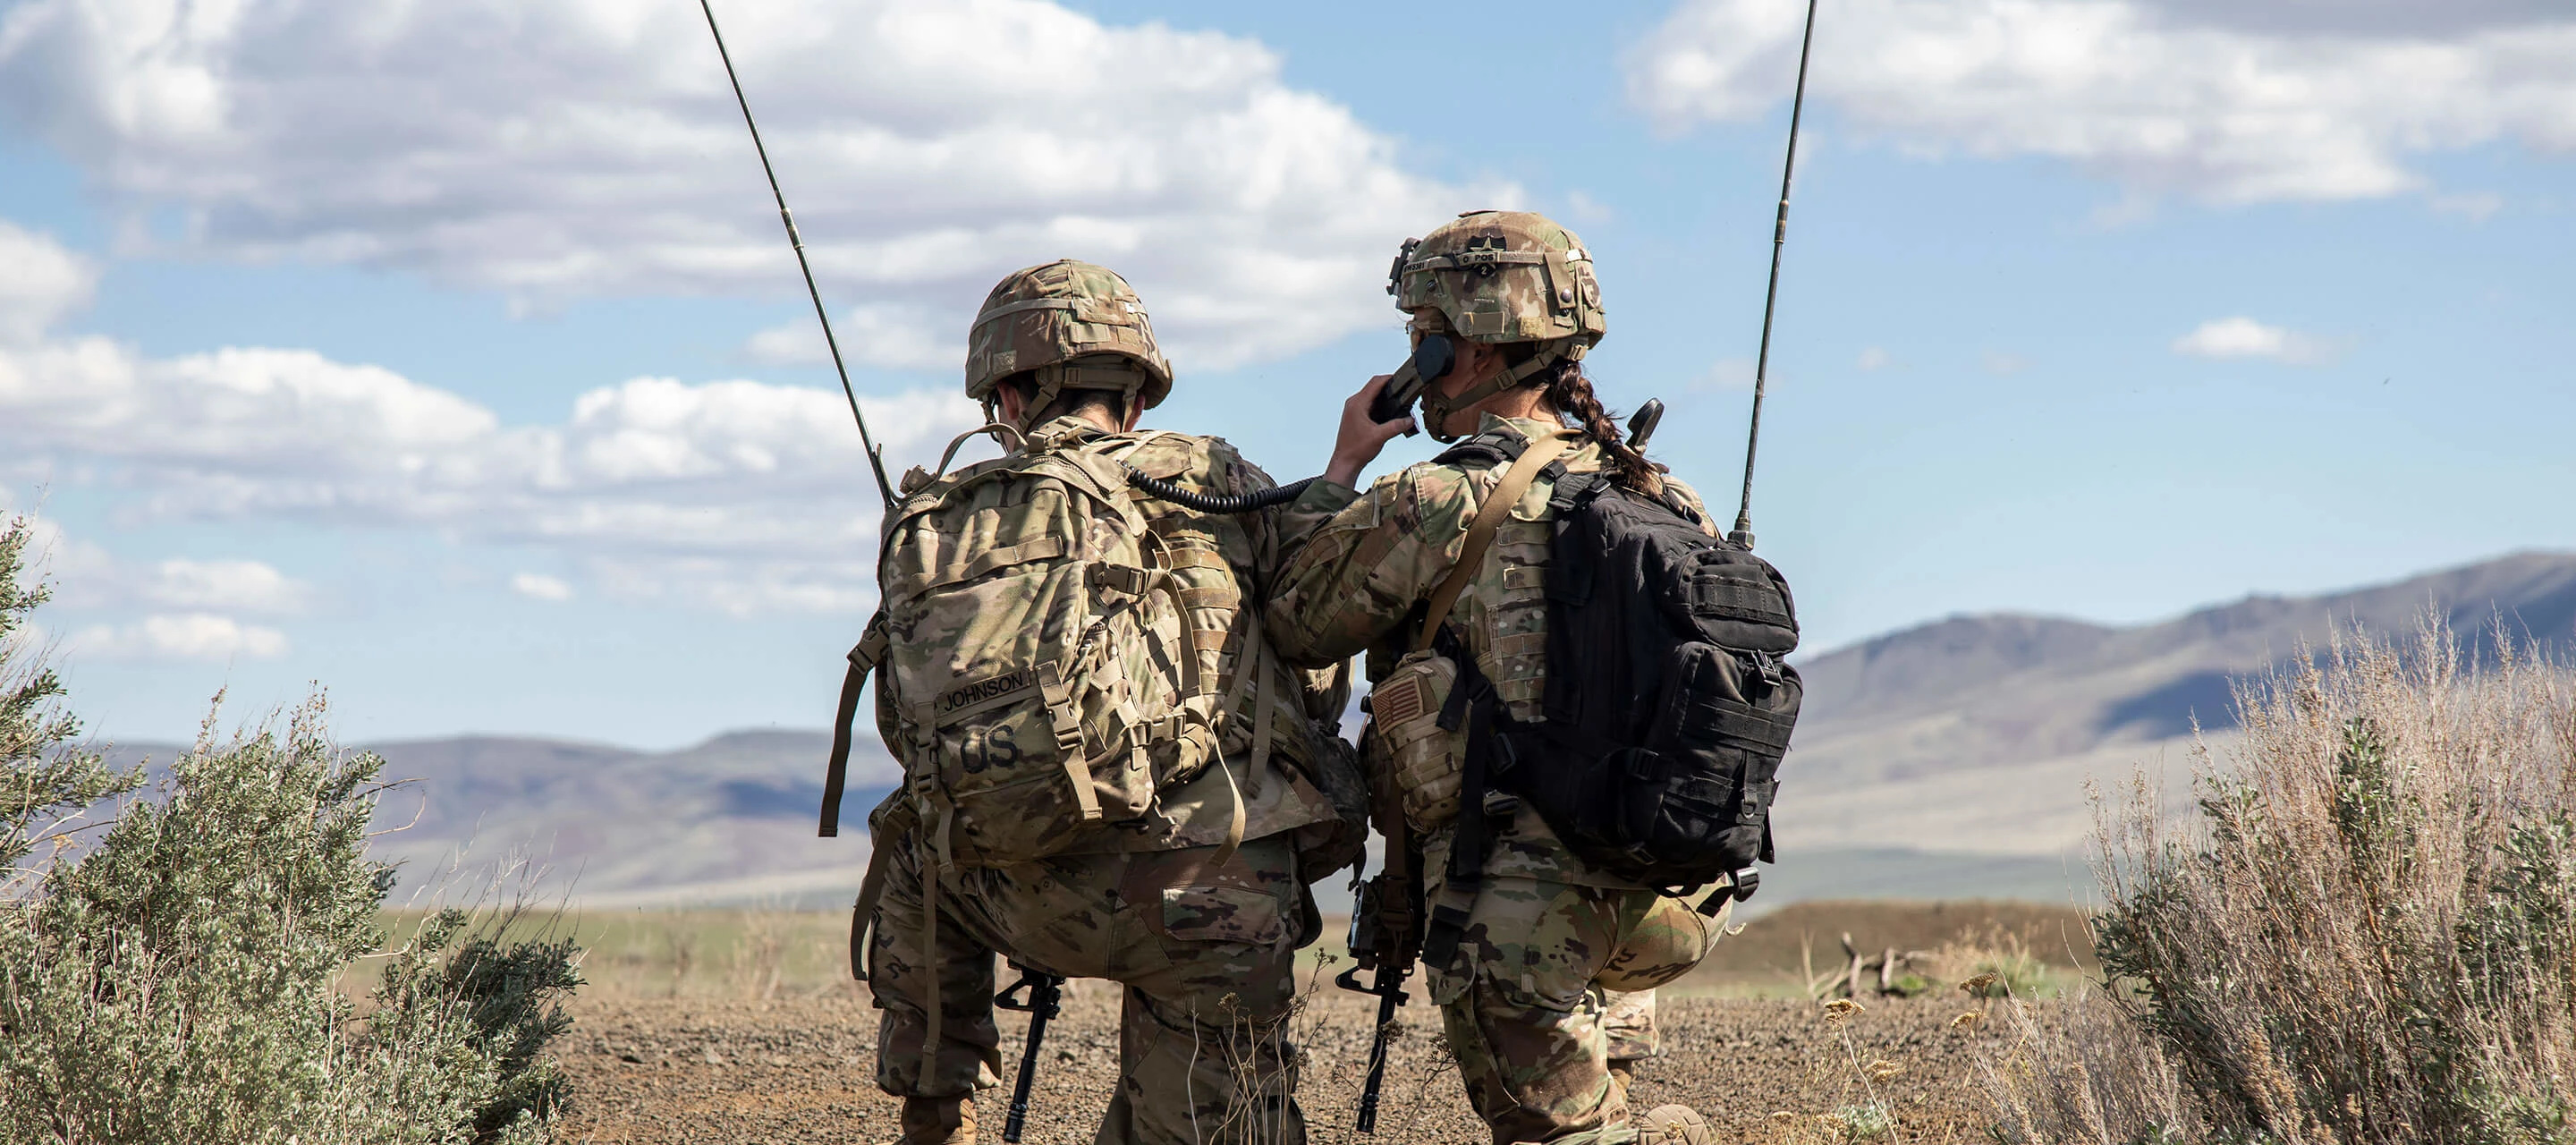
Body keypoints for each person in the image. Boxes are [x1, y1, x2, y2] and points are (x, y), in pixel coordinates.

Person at [860, 259, 1362, 1145]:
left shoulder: (959, 518)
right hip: (1212, 889)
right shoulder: (1219, 478)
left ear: (1006, 396)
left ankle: (935, 1110)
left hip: (1025, 890)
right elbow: (1320, 677)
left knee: (913, 844)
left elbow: (912, 733)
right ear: (1134, 397)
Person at [1266, 211, 1721, 1145]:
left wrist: (1345, 463)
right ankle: (1617, 1079)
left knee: (1552, 1131)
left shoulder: (1440, 495)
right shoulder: (1668, 495)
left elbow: (1297, 618)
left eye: (1418, 337)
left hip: (1519, 911)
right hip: (1674, 895)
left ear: (1456, 349)